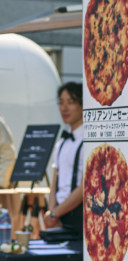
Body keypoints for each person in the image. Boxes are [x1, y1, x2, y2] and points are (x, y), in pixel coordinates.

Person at [45, 82, 84, 233]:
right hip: (58, 217)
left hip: (78, 216)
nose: (64, 108)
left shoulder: (87, 142)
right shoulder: (61, 143)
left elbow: (83, 188)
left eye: (70, 102)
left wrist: (55, 213)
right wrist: (51, 213)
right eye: (61, 103)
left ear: (82, 105)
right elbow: (54, 181)